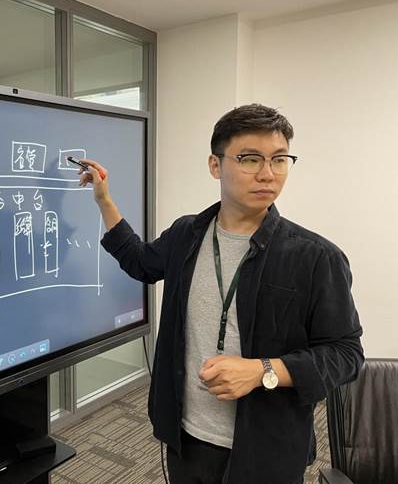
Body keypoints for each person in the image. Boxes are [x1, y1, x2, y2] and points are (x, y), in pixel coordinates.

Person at [78, 104, 364, 484]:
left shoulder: (315, 257)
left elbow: (346, 354)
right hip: (186, 438)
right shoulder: (187, 234)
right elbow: (140, 262)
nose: (268, 173)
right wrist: (104, 201)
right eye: (250, 159)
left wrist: (263, 371)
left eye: (279, 159)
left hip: (266, 450)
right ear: (215, 165)